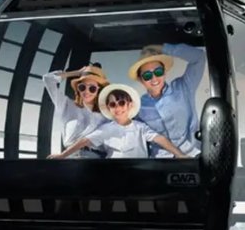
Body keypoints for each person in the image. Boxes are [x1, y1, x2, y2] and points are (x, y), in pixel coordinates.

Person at [49, 84, 188, 159]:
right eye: (113, 104)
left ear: (129, 105)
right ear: (109, 108)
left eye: (121, 103)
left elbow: (160, 139)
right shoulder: (106, 128)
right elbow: (84, 141)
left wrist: (180, 154)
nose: (118, 108)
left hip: (138, 173)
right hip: (113, 174)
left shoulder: (141, 127)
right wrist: (63, 155)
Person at [129, 43, 205, 158]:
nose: (154, 78)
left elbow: (199, 57)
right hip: (161, 162)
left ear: (165, 72)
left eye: (158, 72)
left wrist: (162, 48)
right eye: (147, 75)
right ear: (140, 80)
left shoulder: (183, 87)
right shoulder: (138, 106)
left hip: (194, 155)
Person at [42, 63, 109, 158]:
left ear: (99, 90)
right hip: (70, 156)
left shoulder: (105, 113)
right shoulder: (66, 105)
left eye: (92, 88)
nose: (86, 91)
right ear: (78, 88)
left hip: (96, 158)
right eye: (82, 87)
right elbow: (47, 79)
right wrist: (77, 72)